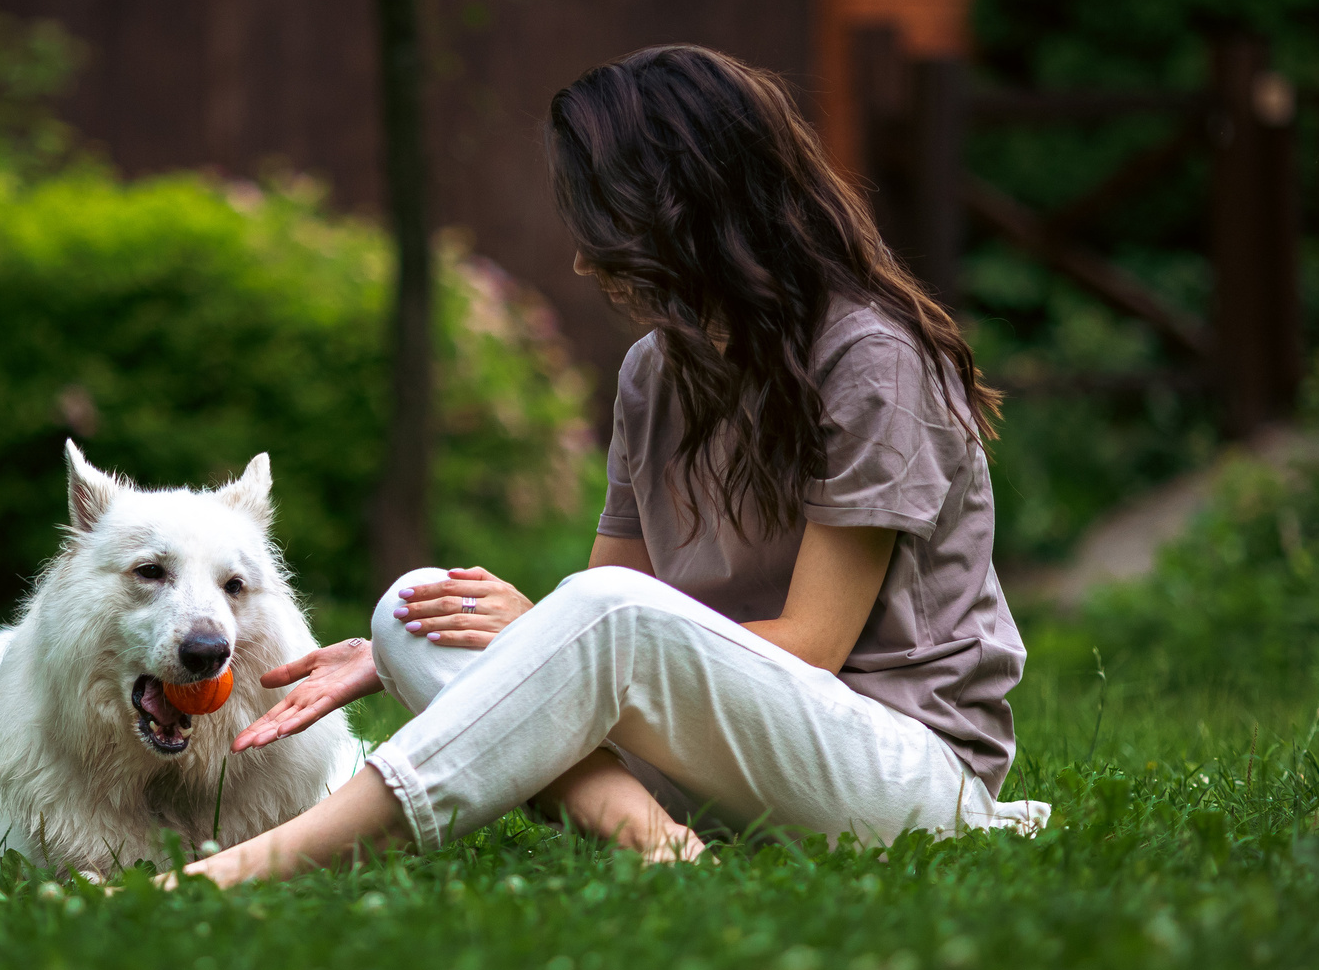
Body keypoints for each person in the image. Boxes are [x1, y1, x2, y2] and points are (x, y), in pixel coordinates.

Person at [187, 44, 1049, 887]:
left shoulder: (871, 360)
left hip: (905, 776)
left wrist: (546, 635)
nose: (582, 260)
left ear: (688, 210)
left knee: (593, 617)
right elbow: (610, 606)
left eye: (605, 223)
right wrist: (405, 648)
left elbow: (808, 647)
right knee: (410, 610)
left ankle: (242, 870)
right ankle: (665, 848)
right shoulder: (655, 371)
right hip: (726, 764)